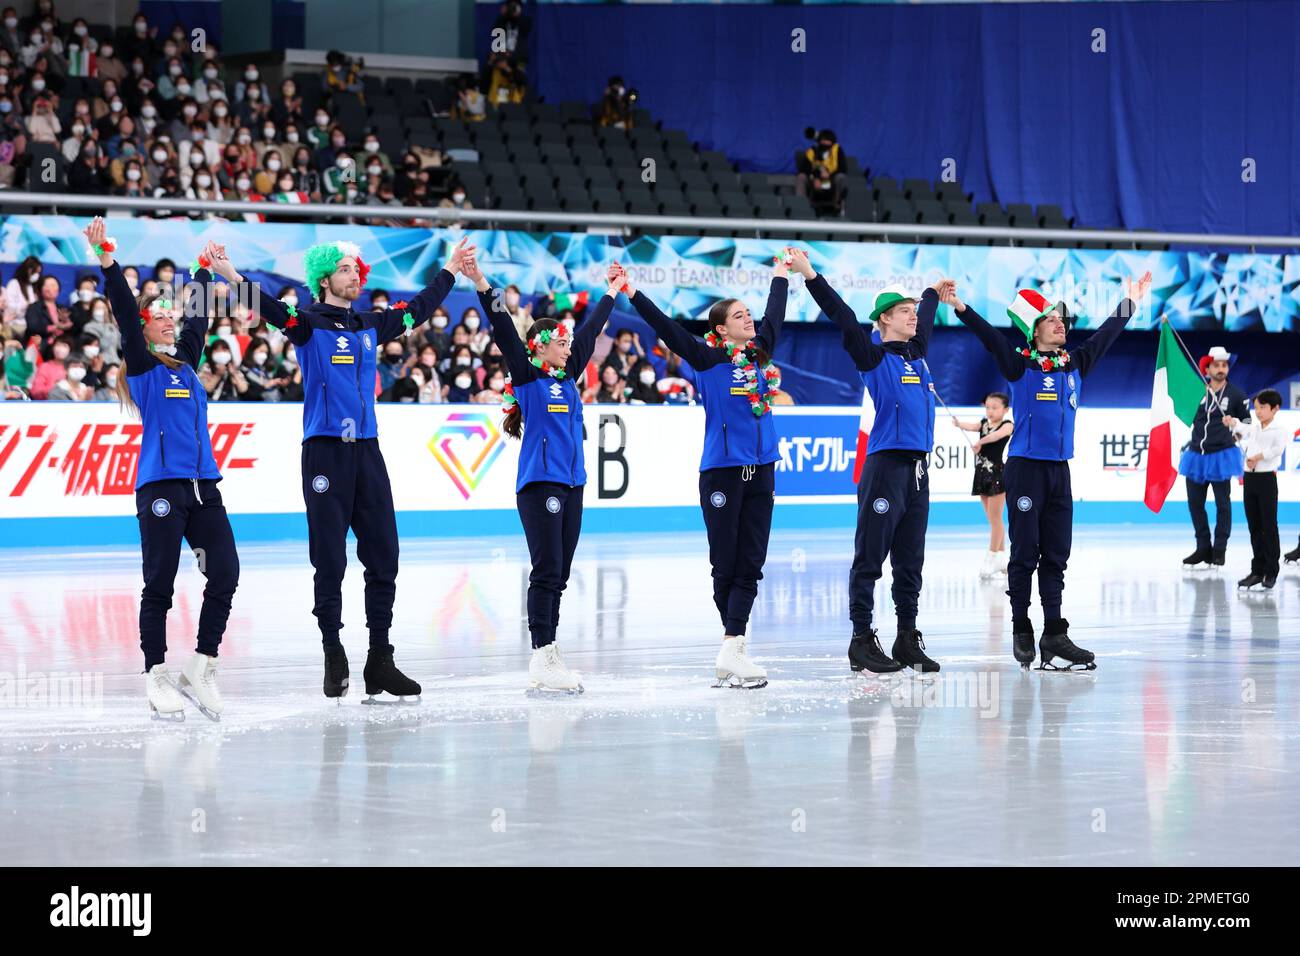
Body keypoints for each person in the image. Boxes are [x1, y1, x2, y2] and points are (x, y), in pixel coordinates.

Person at [248, 236, 475, 703]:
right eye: (345, 269)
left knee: (385, 555)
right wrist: (230, 276)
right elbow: (266, 306)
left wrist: (451, 268)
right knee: (330, 559)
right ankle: (333, 651)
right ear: (323, 278)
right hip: (325, 452)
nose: (355, 276)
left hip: (368, 451)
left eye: (357, 269)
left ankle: (379, 658)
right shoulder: (306, 324)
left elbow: (419, 309)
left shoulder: (371, 324)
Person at [942, 273, 1152, 669]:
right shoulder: (1020, 366)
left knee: (1056, 554)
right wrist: (959, 307)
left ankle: (1054, 632)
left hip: (1060, 472)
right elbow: (991, 338)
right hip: (1025, 471)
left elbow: (1105, 336)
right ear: (1034, 331)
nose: (1060, 324)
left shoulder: (1075, 364)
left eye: (1061, 319)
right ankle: (1021, 626)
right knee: (1025, 553)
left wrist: (1130, 302)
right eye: (1051, 319)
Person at [86, 216, 237, 722]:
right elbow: (124, 310)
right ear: (146, 328)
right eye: (160, 317)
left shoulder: (187, 364)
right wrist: (108, 260)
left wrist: (203, 271)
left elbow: (198, 319)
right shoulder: (143, 366)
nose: (170, 322)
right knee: (160, 584)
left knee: (226, 572)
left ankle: (202, 664)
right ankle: (155, 673)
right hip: (161, 491)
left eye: (171, 316)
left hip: (204, 488)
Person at [622, 253, 791, 687]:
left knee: (751, 564)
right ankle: (733, 644)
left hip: (763, 470)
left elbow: (775, 313)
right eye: (739, 316)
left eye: (748, 313)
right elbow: (667, 327)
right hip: (723, 473)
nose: (749, 319)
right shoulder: (707, 359)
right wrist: (632, 292)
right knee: (725, 565)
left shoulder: (760, 354)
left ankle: (733, 646)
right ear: (721, 330)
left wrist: (780, 273)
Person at [465, 252, 616, 694]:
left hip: (573, 484)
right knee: (546, 569)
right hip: (540, 485)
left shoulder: (568, 377)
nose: (569, 347)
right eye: (561, 342)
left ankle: (549, 651)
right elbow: (502, 328)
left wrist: (611, 291)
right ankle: (541, 653)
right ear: (540, 346)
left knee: (560, 572)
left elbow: (591, 330)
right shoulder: (529, 378)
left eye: (569, 343)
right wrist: (481, 282)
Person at [801, 263, 940, 674]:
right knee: (870, 557)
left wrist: (932, 293)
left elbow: (926, 322)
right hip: (885, 469)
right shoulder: (874, 357)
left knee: (910, 560)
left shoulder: (916, 355)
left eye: (914, 310)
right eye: (905, 311)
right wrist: (810, 276)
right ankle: (861, 638)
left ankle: (906, 637)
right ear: (884, 319)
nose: (914, 316)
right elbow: (842, 316)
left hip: (918, 472)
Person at [1180, 346, 1249, 569]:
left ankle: (1219, 550)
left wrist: (1236, 425)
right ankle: (1203, 547)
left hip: (1221, 456)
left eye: (1224, 365)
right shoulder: (1198, 392)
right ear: (1207, 369)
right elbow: (1189, 416)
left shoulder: (1236, 395)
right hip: (1196, 456)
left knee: (1223, 505)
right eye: (1216, 365)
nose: (1221, 369)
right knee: (1195, 504)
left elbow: (1248, 423)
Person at [1224, 390, 1287, 589]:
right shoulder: (1255, 426)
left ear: (1275, 409)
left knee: (1269, 526)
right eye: (1256, 407)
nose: (1258, 412)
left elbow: (1277, 450)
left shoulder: (1279, 429)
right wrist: (1231, 421)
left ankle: (1271, 571)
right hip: (1249, 479)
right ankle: (1257, 570)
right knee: (1254, 526)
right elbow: (1242, 427)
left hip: (1266, 480)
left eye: (1263, 407)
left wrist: (1257, 457)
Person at [953, 392, 1013, 578]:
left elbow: (995, 437)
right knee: (992, 518)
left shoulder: (1007, 425)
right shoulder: (984, 423)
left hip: (996, 474)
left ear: (1005, 409)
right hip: (981, 474)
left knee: (996, 519)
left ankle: (992, 556)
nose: (990, 411)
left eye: (994, 407)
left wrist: (979, 442)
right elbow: (972, 426)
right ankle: (1002, 558)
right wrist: (959, 424)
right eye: (987, 407)